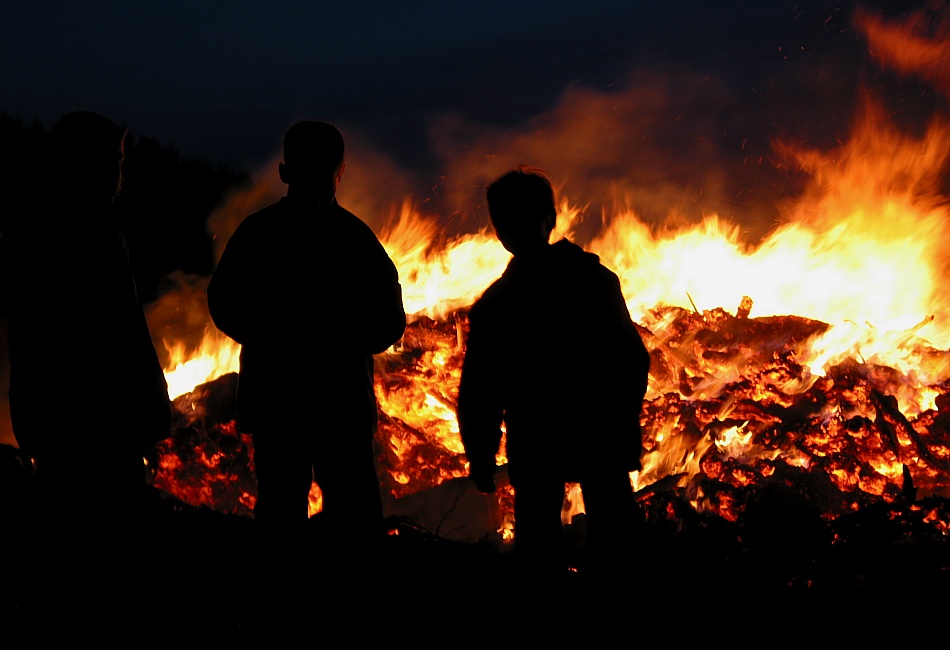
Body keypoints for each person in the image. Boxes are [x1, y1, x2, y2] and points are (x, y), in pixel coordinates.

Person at [207, 120, 406, 542]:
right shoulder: (356, 239)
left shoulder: (258, 233)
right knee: (350, 518)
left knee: (285, 517)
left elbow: (223, 303)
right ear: (342, 171)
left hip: (285, 403)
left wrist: (269, 334)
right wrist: (340, 336)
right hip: (334, 405)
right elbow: (389, 323)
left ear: (283, 172)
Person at [457, 167, 651, 580]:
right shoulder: (595, 281)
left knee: (539, 547)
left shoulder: (498, 304)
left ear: (499, 232)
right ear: (552, 218)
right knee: (616, 541)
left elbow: (480, 392)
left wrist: (481, 456)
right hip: (598, 434)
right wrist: (624, 422)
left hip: (536, 441)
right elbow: (632, 359)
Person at [0, 111, 172, 534]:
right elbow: (117, 338)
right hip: (98, 435)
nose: (120, 175)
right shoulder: (89, 235)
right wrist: (149, 410)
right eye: (115, 162)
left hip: (57, 431)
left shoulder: (33, 231)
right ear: (85, 164)